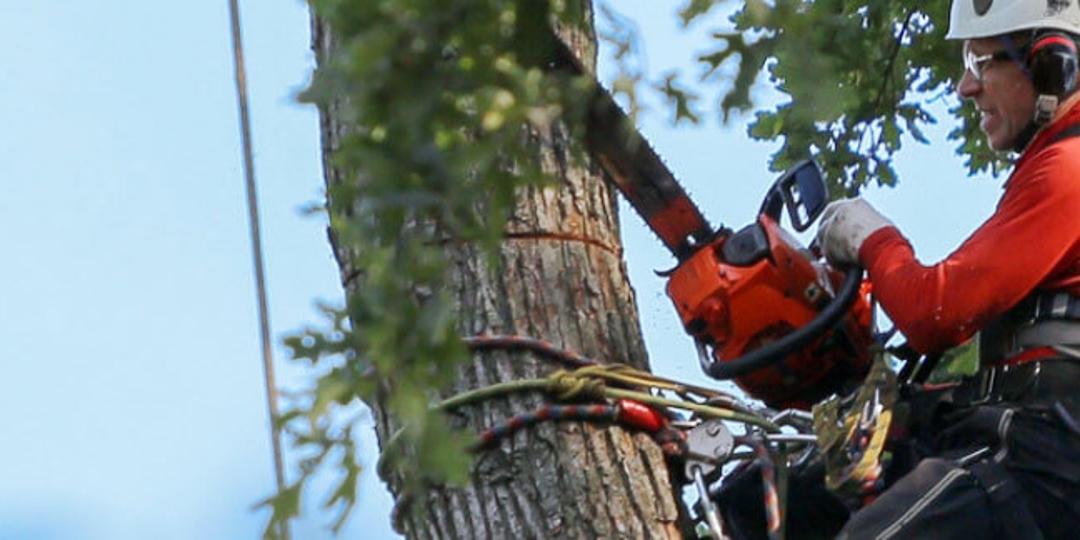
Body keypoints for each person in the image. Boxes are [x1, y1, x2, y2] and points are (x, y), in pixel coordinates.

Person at [812, 0, 1080, 538]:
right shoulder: (1048, 168)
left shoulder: (1071, 168)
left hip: (1046, 454)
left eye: (983, 64)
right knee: (777, 488)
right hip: (1017, 430)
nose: (965, 86)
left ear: (1054, 65)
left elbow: (938, 310)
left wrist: (871, 240)